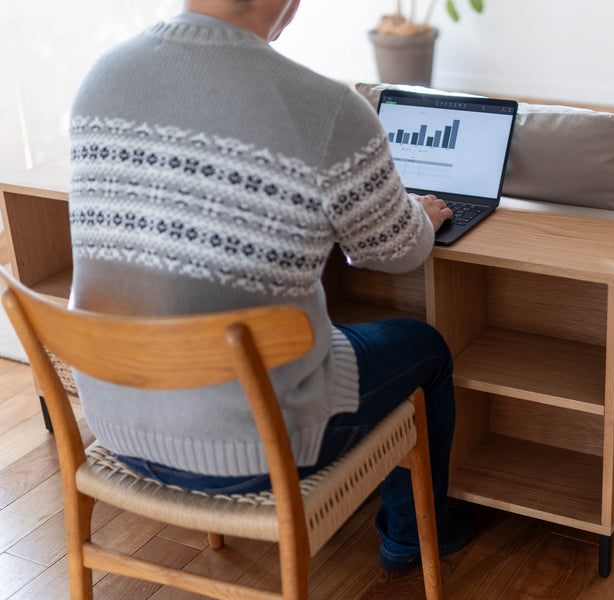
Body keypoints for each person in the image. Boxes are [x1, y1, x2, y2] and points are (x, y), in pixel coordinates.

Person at [67, 0, 473, 571]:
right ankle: (412, 538)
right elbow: (393, 251)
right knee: (425, 349)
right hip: (253, 450)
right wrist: (422, 215)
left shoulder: (100, 78)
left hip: (114, 423)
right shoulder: (328, 108)